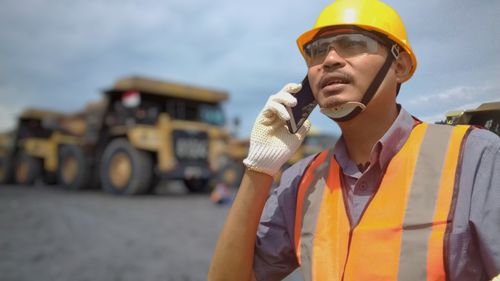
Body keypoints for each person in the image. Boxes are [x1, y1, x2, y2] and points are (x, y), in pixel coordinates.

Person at [208, 0, 500, 280]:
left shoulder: (474, 156)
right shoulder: (301, 183)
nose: (330, 60)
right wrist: (259, 168)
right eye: (317, 51)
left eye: (354, 44)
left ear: (400, 67)